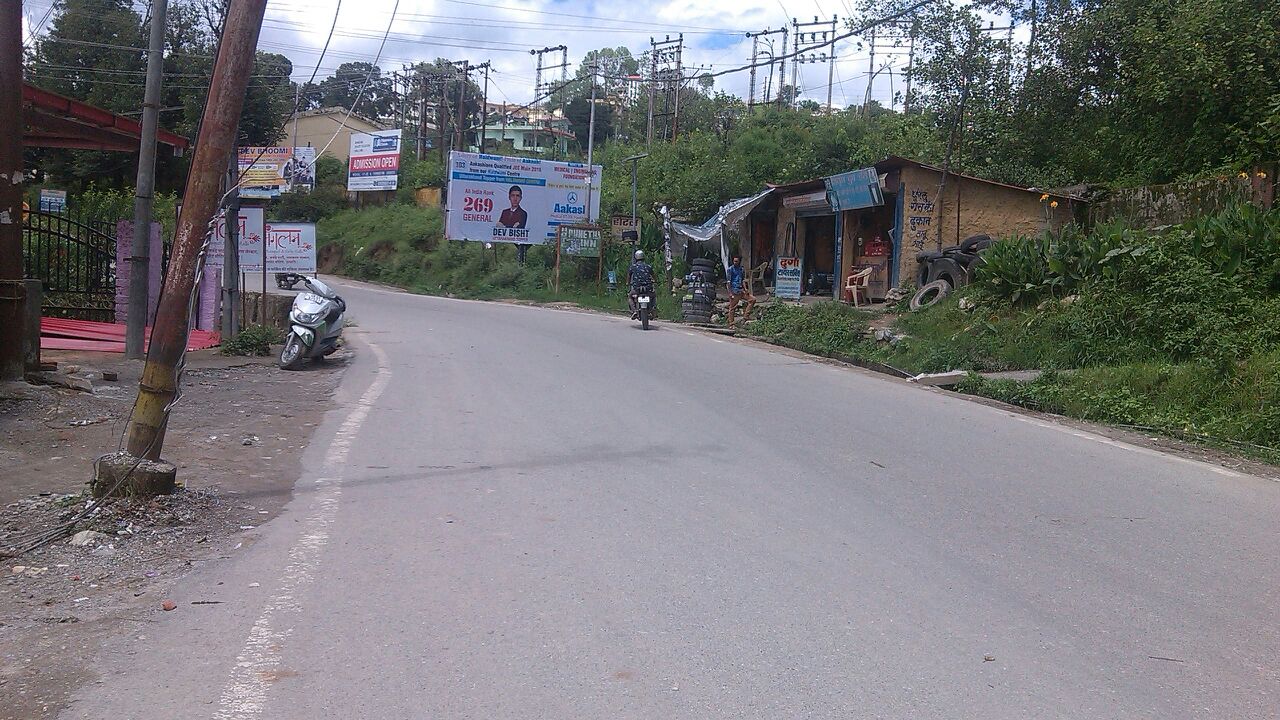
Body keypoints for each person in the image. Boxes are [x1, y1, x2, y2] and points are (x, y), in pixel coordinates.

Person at [727, 255, 755, 328]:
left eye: (736, 261)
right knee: (732, 308)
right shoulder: (730, 269)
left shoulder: (741, 269)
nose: (735, 262)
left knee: (752, 299)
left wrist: (746, 289)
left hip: (741, 290)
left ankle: (745, 317)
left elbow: (742, 280)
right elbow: (728, 282)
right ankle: (731, 324)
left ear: (739, 261)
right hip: (734, 291)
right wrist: (730, 293)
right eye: (734, 261)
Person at [627, 249, 656, 319]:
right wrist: (655, 281)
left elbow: (629, 276)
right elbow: (654, 276)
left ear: (636, 257)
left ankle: (634, 311)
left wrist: (628, 283)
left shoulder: (633, 266)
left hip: (637, 289)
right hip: (648, 288)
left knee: (630, 297)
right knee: (653, 296)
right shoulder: (648, 266)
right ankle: (652, 309)